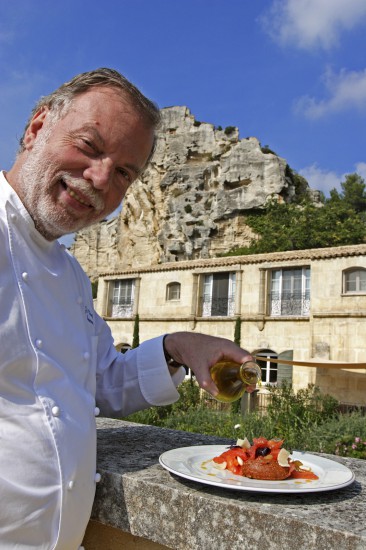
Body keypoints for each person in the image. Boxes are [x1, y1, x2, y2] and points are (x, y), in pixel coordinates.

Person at [0, 68, 255, 549]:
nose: (98, 179)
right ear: (37, 128)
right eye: (89, 147)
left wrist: (180, 345)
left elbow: (98, 382)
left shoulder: (73, 275)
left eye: (123, 173)